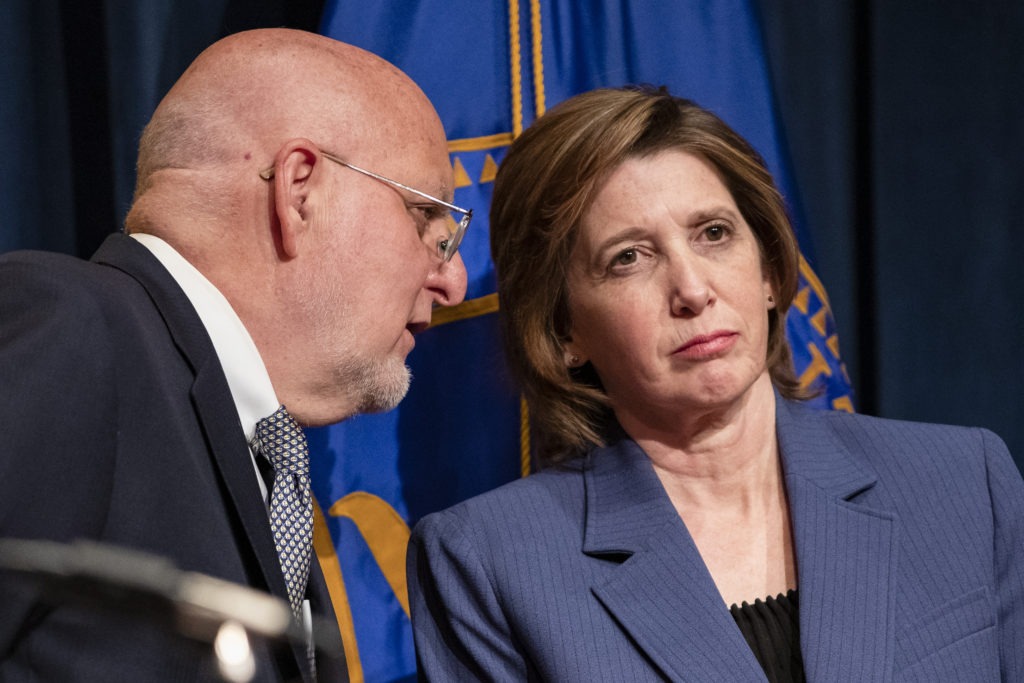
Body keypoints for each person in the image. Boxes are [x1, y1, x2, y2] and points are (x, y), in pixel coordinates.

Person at [407, 86, 1024, 682]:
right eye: (629, 258)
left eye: (714, 234)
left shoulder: (965, 482)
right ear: (564, 330)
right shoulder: (487, 563)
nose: (693, 291)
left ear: (768, 274)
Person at [0, 28, 468, 682]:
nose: (454, 281)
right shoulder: (72, 323)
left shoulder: (264, 453)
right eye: (427, 221)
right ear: (301, 188)